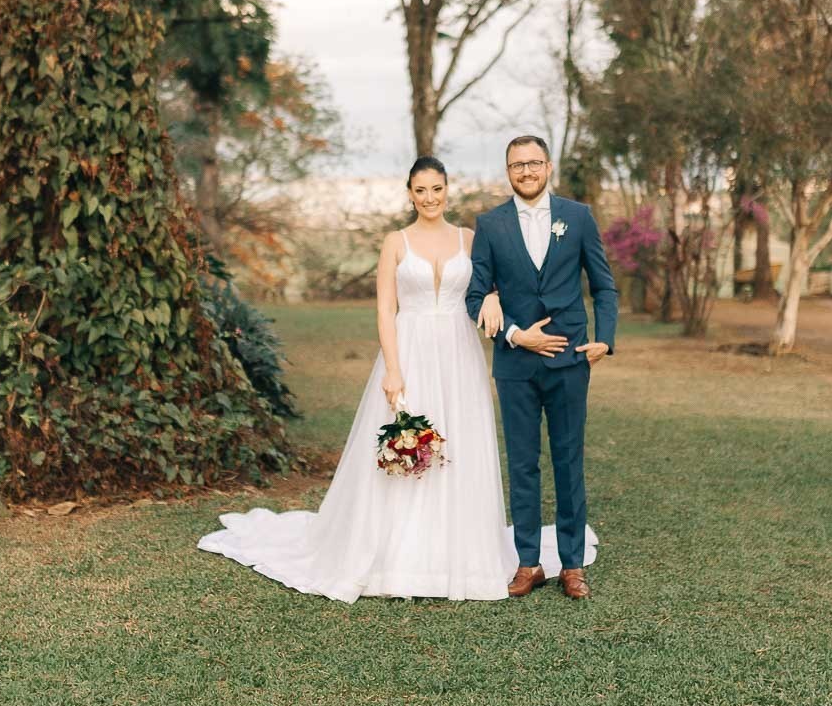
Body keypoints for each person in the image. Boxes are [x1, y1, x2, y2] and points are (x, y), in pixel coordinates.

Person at [198, 155, 588, 601]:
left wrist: (494, 297)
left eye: (436, 189)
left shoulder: (469, 238)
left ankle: (461, 549)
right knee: (411, 446)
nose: (430, 198)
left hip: (459, 354)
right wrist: (393, 369)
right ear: (410, 194)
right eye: (420, 191)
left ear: (447, 190)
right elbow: (386, 309)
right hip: (412, 350)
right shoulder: (395, 243)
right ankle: (404, 552)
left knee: (460, 444)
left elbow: (491, 283)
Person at [465, 135, 617, 601]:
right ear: (508, 171)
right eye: (517, 165)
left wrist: (605, 339)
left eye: (534, 163)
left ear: (548, 167)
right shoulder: (490, 225)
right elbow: (475, 296)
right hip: (515, 365)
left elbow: (603, 286)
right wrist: (515, 334)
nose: (526, 171)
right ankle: (528, 563)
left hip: (570, 360)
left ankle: (572, 565)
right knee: (523, 464)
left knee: (569, 461)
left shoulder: (578, 216)